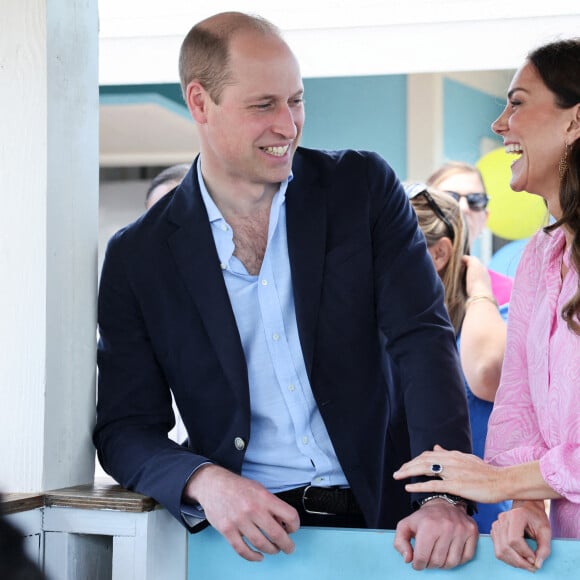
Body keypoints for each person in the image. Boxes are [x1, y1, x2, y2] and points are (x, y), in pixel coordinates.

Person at [94, 11, 478, 568]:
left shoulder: (363, 189)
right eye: (263, 105)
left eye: (295, 100)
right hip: (247, 543)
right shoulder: (137, 257)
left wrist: (443, 492)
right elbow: (126, 427)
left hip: (395, 528)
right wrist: (204, 481)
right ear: (200, 103)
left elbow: (423, 341)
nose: (289, 124)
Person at [394, 37, 580, 572]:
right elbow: (517, 403)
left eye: (517, 103)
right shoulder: (540, 257)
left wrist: (499, 482)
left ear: (574, 121)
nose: (500, 125)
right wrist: (524, 503)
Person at [405, 183, 510, 533]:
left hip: (484, 531)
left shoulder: (492, 321)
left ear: (439, 253)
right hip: (401, 528)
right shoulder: (384, 333)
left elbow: (487, 370)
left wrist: (479, 290)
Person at [427, 161, 513, 305]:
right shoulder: (400, 280)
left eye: (475, 200)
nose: (464, 207)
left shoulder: (511, 292)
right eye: (450, 198)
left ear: (485, 218)